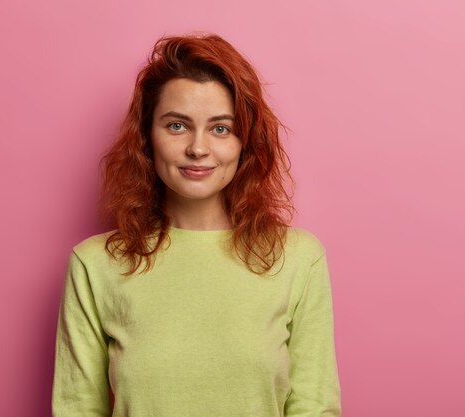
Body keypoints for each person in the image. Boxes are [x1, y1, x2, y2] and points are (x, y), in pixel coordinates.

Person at [52, 33, 341, 417]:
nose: (198, 148)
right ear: (146, 136)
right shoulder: (95, 264)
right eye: (177, 126)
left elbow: (314, 406)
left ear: (245, 142)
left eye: (220, 128)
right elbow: (77, 409)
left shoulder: (299, 259)